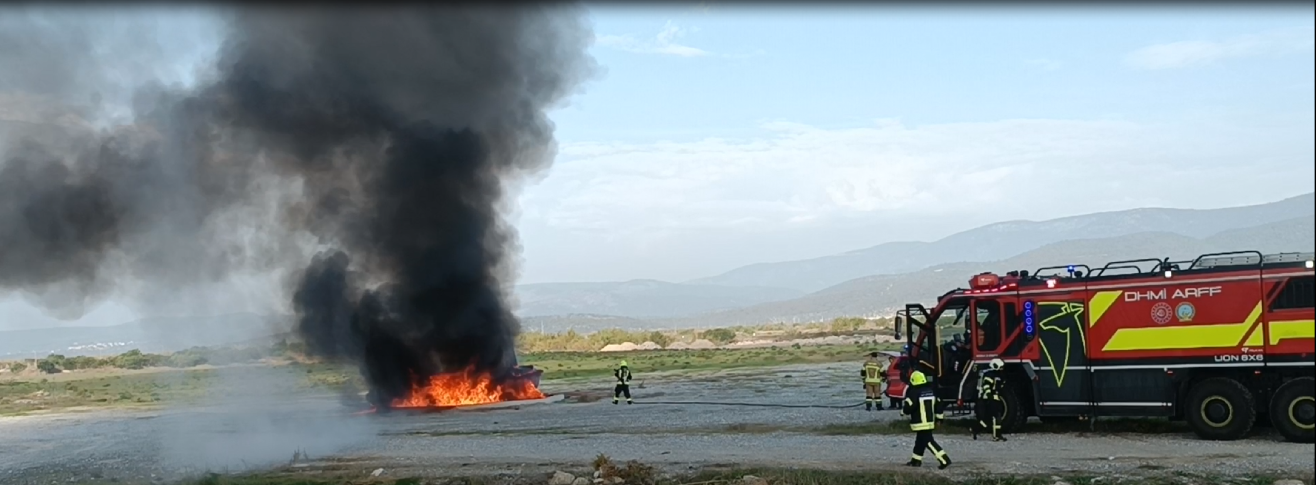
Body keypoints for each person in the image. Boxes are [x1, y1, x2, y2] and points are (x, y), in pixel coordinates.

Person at [901, 370, 951, 469]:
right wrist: (939, 419)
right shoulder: (931, 391)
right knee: (920, 441)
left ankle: (944, 459)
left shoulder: (913, 393)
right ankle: (916, 461)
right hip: (930, 422)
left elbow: (908, 408)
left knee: (928, 442)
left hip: (919, 422)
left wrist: (903, 411)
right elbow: (939, 406)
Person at [973, 358, 1007, 441]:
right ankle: (977, 431)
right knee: (989, 418)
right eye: (1000, 367)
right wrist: (989, 395)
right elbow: (986, 386)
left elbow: (1001, 385)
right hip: (987, 399)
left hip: (995, 398)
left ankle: (997, 434)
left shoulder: (999, 375)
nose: (1002, 368)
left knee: (996, 417)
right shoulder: (989, 375)